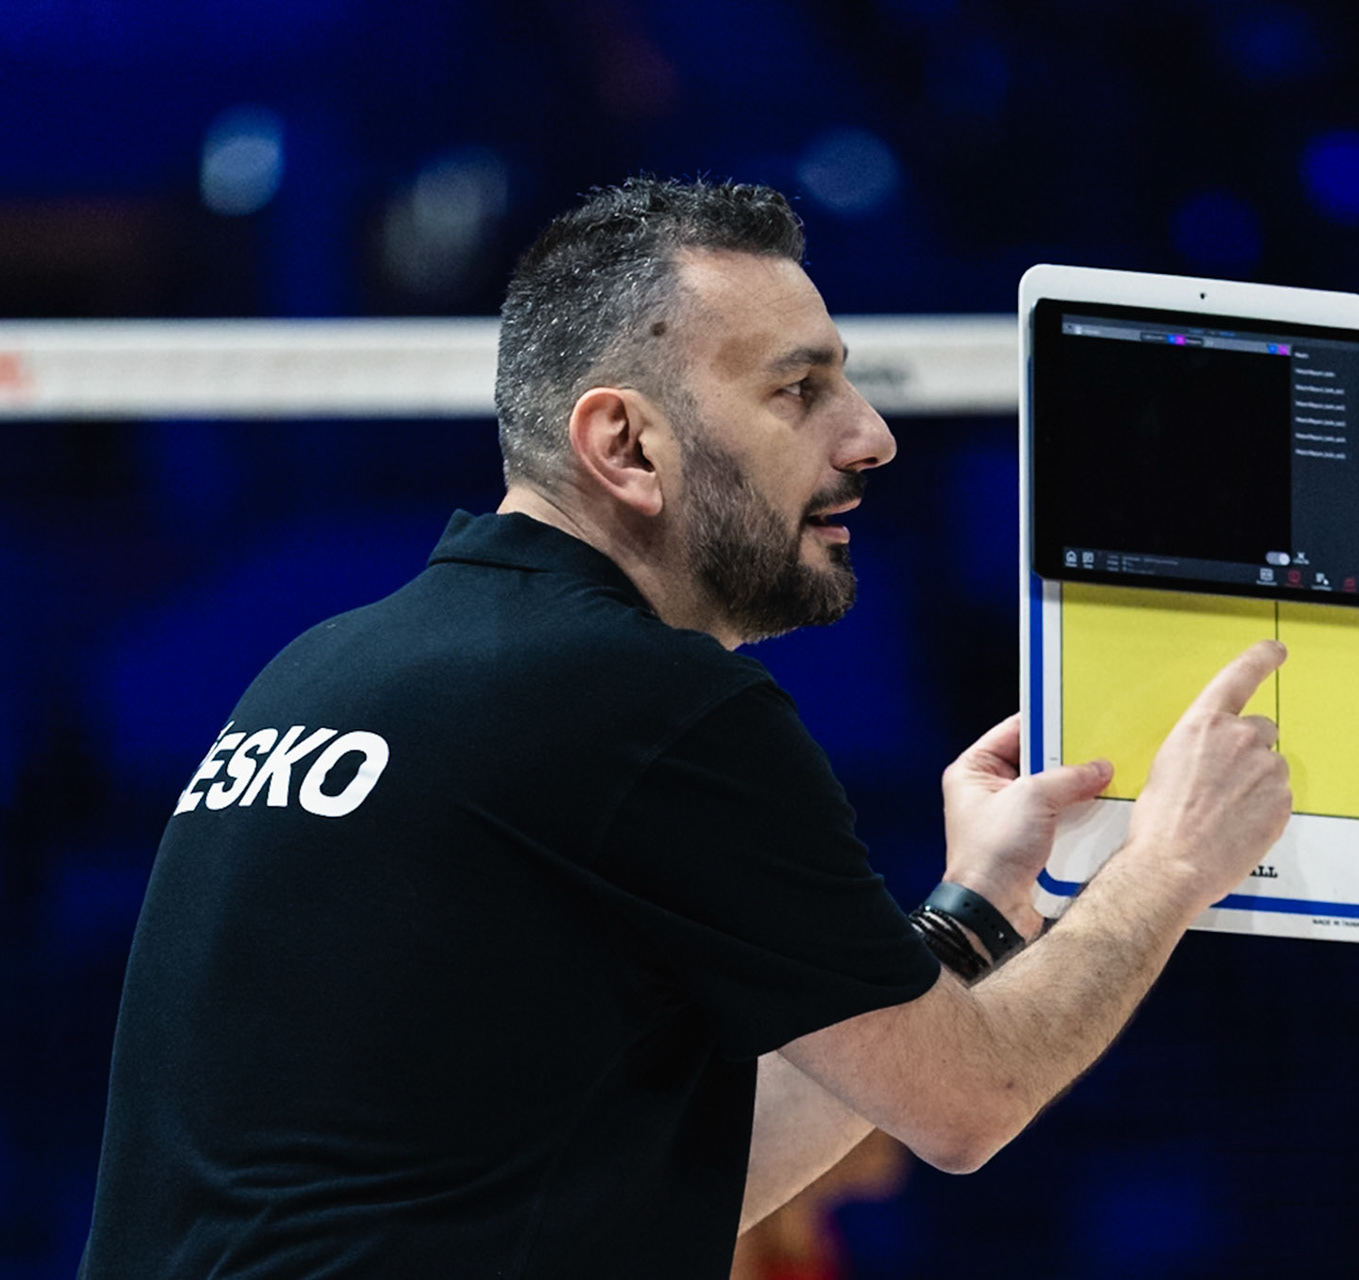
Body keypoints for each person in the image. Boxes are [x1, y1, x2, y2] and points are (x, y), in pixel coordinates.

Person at [78, 177, 1291, 1278]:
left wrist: (977, 908)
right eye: (799, 390)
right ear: (624, 443)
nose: (872, 434)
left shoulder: (325, 669)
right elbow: (971, 1103)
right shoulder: (643, 700)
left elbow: (660, 1195)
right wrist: (1173, 861)